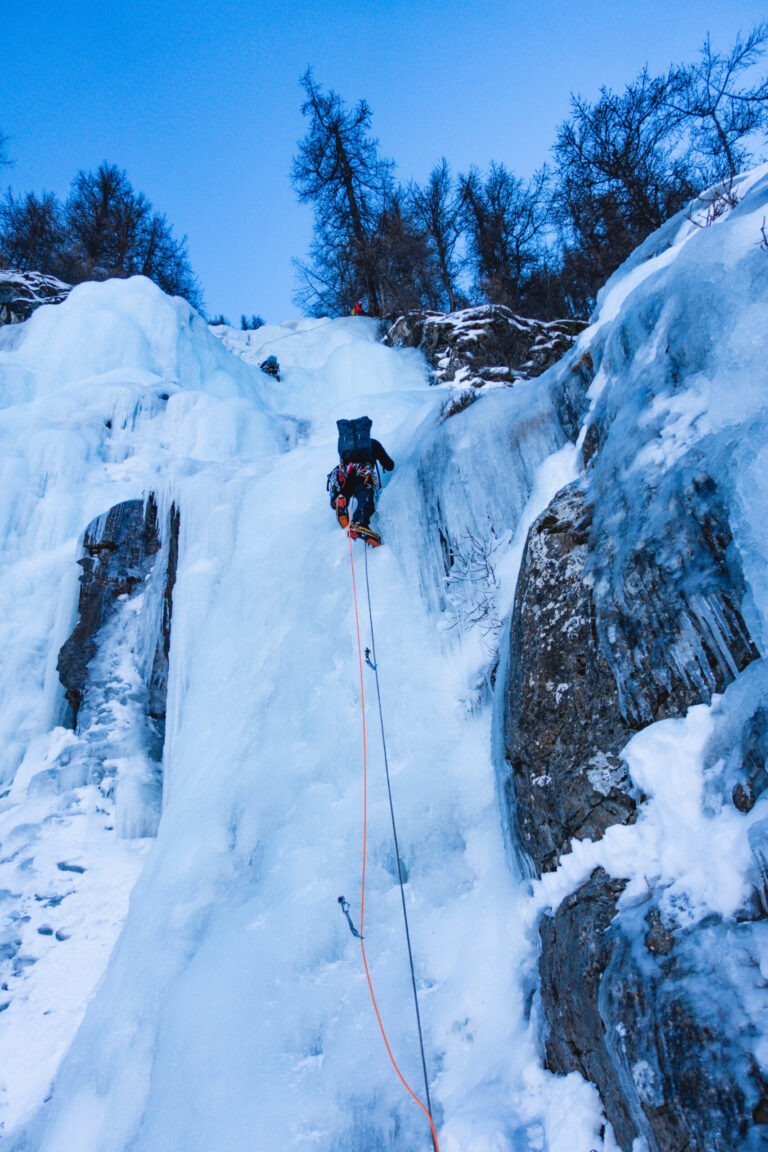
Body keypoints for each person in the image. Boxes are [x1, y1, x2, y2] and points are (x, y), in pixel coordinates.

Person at [328, 416, 394, 545]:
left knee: (346, 491)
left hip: (346, 478)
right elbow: (389, 465)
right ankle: (359, 522)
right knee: (366, 500)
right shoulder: (373, 444)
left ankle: (340, 500)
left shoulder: (347, 448)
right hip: (363, 479)